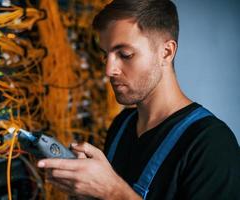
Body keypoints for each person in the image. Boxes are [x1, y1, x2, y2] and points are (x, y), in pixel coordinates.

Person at [37, 0, 240, 199]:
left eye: (125, 55)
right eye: (105, 55)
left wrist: (112, 191)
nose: (109, 70)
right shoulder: (122, 125)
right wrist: (90, 190)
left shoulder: (212, 145)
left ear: (166, 52)